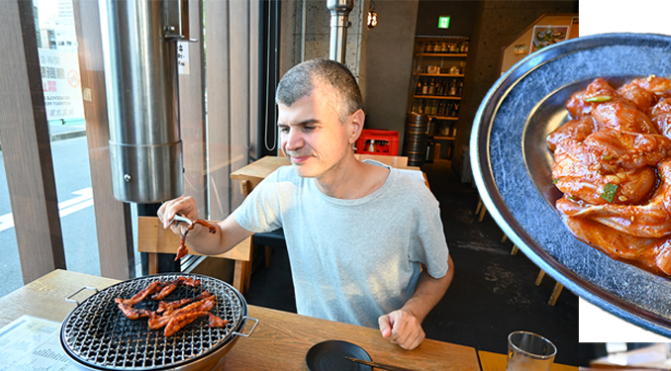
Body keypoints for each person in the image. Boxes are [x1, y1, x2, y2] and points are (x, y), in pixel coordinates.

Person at [157, 59, 453, 350]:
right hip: (315, 348)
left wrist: (412, 313)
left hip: (385, 348)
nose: (290, 143)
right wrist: (191, 225)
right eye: (285, 128)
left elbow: (440, 271)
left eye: (309, 126)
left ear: (354, 126)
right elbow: (220, 237)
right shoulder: (284, 186)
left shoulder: (411, 197)